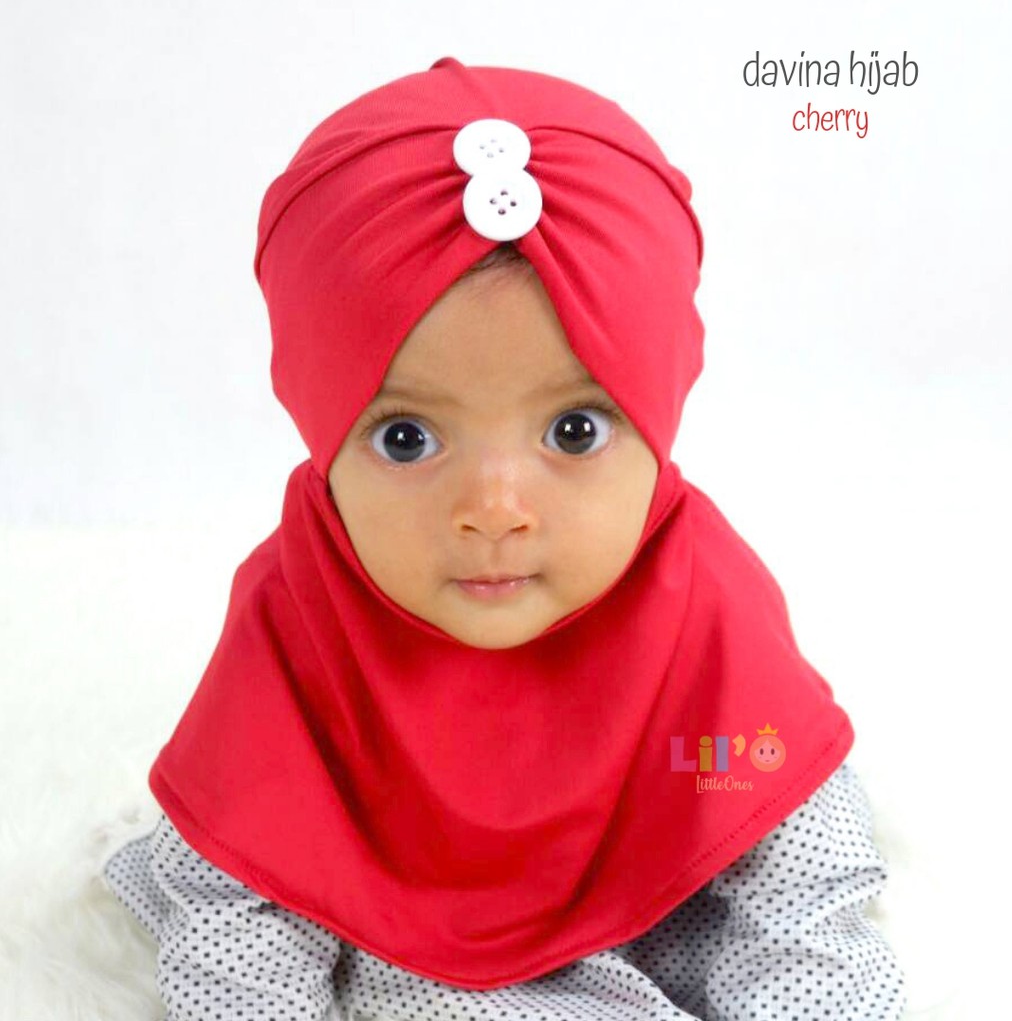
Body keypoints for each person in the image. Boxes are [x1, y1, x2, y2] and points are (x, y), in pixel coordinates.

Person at [100, 57, 906, 1020]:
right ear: (322, 433)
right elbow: (238, 894)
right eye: (407, 438)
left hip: (655, 895)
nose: (494, 508)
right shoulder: (300, 611)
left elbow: (800, 870)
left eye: (574, 431)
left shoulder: (701, 601)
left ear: (659, 418)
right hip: (392, 938)